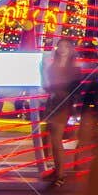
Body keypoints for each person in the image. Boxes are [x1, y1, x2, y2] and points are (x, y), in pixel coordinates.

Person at [40, 38, 83, 185]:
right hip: (52, 102)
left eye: (66, 46)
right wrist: (44, 71)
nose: (62, 49)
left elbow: (75, 91)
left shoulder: (74, 69)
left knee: (56, 139)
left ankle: (60, 174)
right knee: (52, 139)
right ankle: (57, 170)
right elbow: (47, 86)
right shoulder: (52, 66)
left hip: (64, 105)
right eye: (60, 46)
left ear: (71, 49)